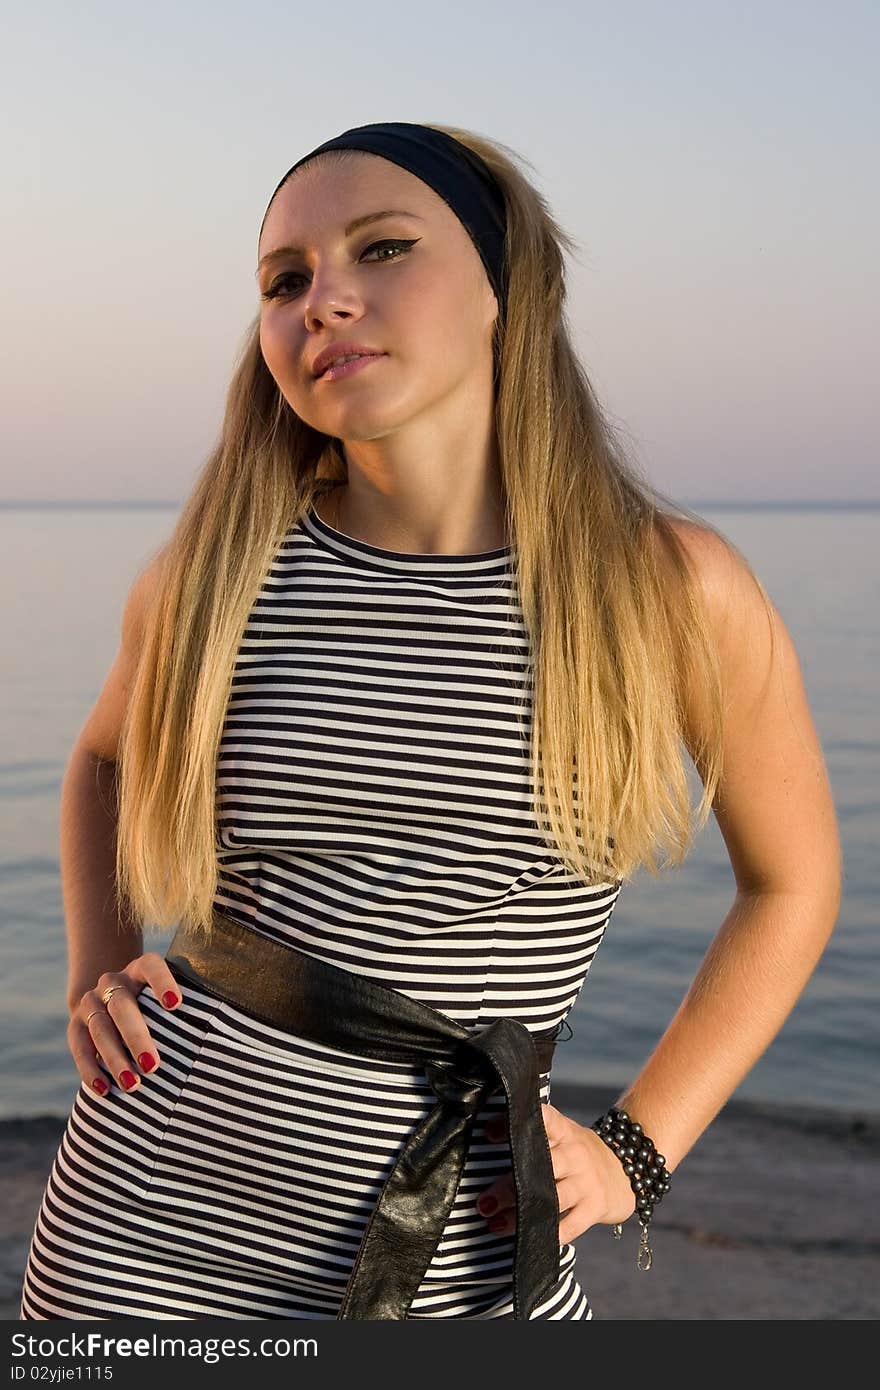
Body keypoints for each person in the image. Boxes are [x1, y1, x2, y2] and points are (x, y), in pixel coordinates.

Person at [19, 121, 841, 1321]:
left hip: (470, 1243)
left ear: (507, 287)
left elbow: (792, 882)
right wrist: (98, 966)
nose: (324, 301)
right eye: (284, 281)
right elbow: (101, 760)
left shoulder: (664, 587)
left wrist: (636, 1150)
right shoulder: (218, 571)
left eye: (383, 248)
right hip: (142, 1229)